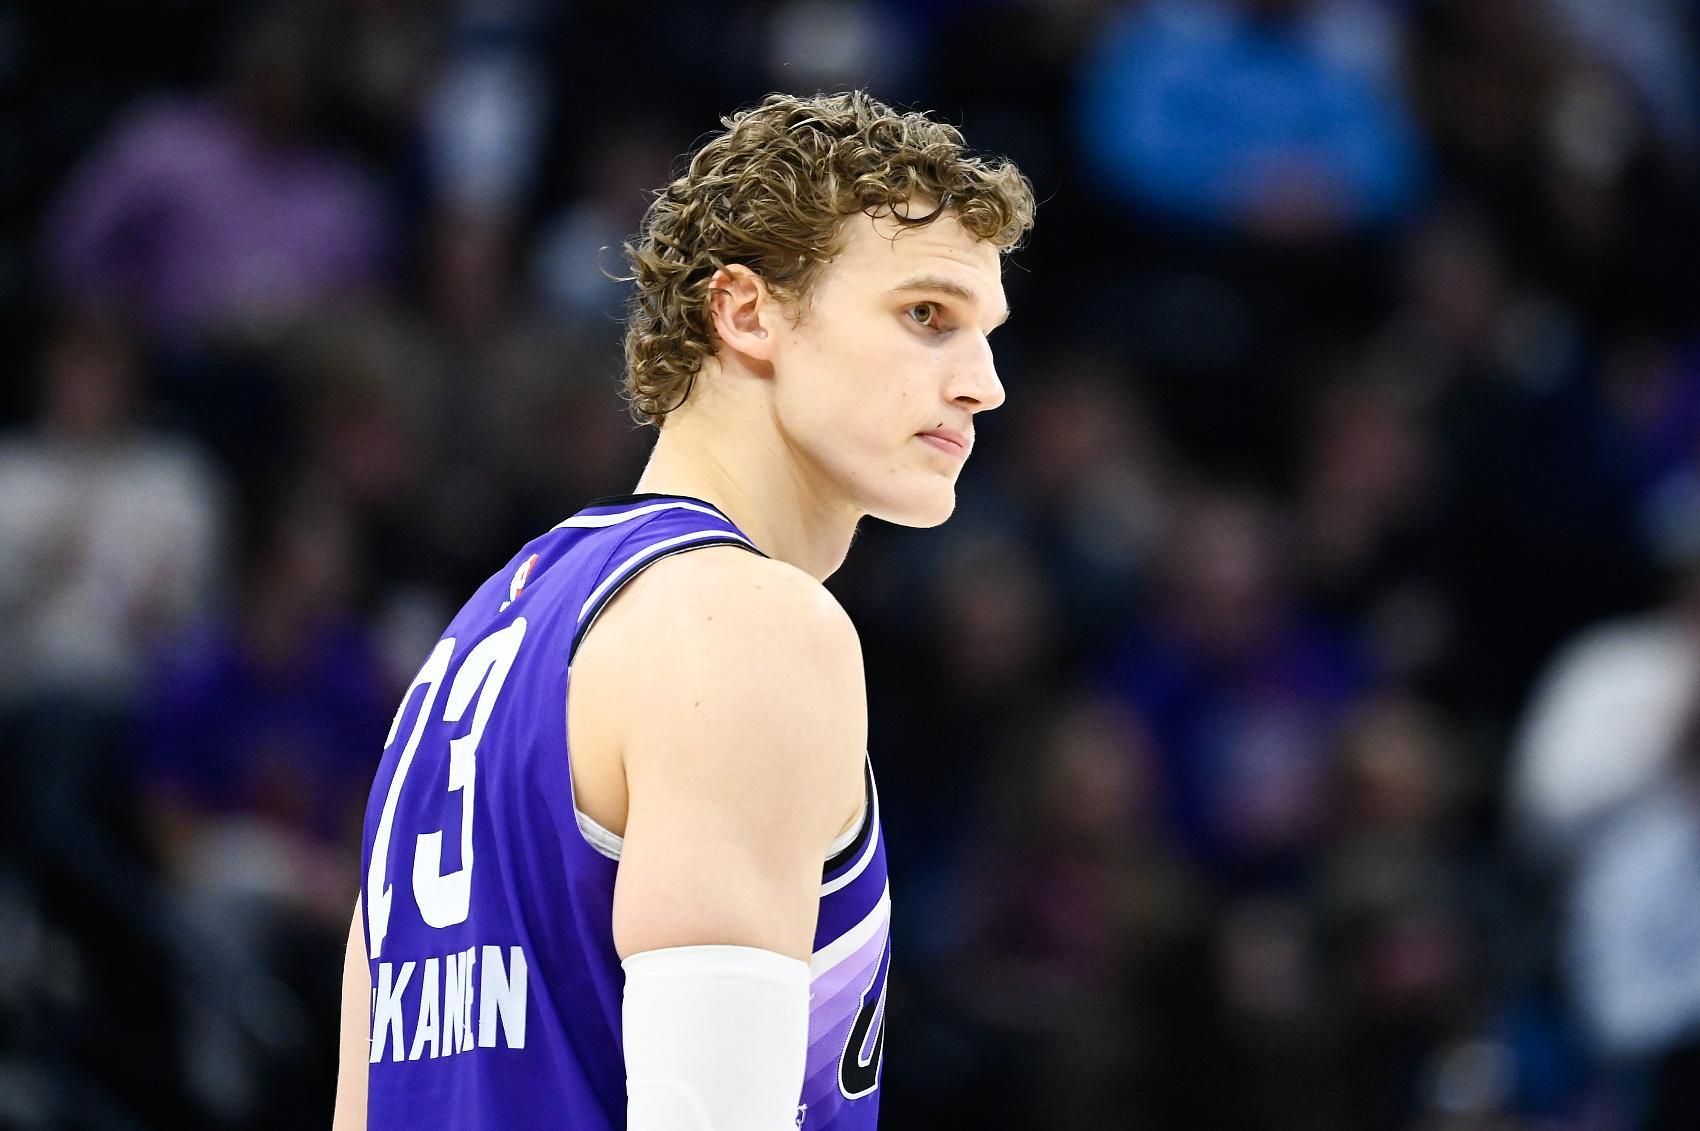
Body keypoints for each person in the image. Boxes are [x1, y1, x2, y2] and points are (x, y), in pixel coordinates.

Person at [331, 90, 1034, 1130]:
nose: (983, 384)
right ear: (746, 312)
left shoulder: (475, 638)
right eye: (926, 316)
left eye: (986, 334)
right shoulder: (747, 623)